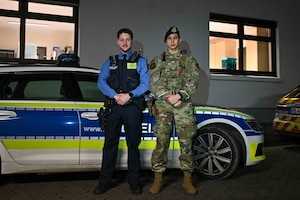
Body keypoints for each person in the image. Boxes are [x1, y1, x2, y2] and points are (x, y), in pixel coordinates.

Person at [94, 28, 150, 195]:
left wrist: (129, 95)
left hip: (133, 108)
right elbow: (101, 82)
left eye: (128, 39)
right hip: (114, 108)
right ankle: (104, 182)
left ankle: (134, 181)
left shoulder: (140, 61)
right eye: (122, 39)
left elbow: (145, 84)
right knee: (110, 145)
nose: (125, 42)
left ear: (131, 41)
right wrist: (115, 96)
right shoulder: (109, 61)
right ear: (118, 42)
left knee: (133, 145)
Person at [148, 26, 200, 195]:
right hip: (164, 105)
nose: (172, 40)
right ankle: (158, 178)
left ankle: (187, 180)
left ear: (179, 40)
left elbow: (193, 80)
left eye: (175, 38)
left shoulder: (188, 60)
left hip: (183, 106)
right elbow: (154, 81)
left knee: (186, 143)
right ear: (165, 41)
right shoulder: (159, 59)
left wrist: (180, 96)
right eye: (169, 38)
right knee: (161, 141)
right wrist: (168, 97)